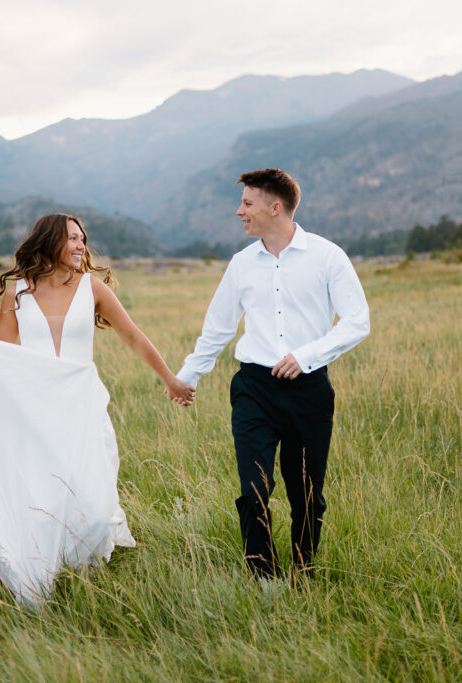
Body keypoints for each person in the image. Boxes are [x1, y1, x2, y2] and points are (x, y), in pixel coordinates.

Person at [0, 213, 194, 605]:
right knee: (36, 492)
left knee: (94, 499)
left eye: (83, 239)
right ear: (50, 241)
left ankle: (80, 567)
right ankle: (33, 568)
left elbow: (133, 337)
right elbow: (5, 356)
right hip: (31, 407)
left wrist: (170, 379)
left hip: (80, 405)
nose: (81, 246)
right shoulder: (17, 292)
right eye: (72, 238)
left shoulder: (94, 288)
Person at [175, 168, 370, 580]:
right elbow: (219, 327)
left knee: (307, 495)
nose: (239, 211)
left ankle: (304, 574)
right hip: (254, 389)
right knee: (253, 491)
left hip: (309, 389)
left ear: (274, 207)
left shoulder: (328, 256)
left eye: (247, 203)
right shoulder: (241, 264)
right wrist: (188, 376)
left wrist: (307, 355)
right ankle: (264, 580)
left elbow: (357, 321)